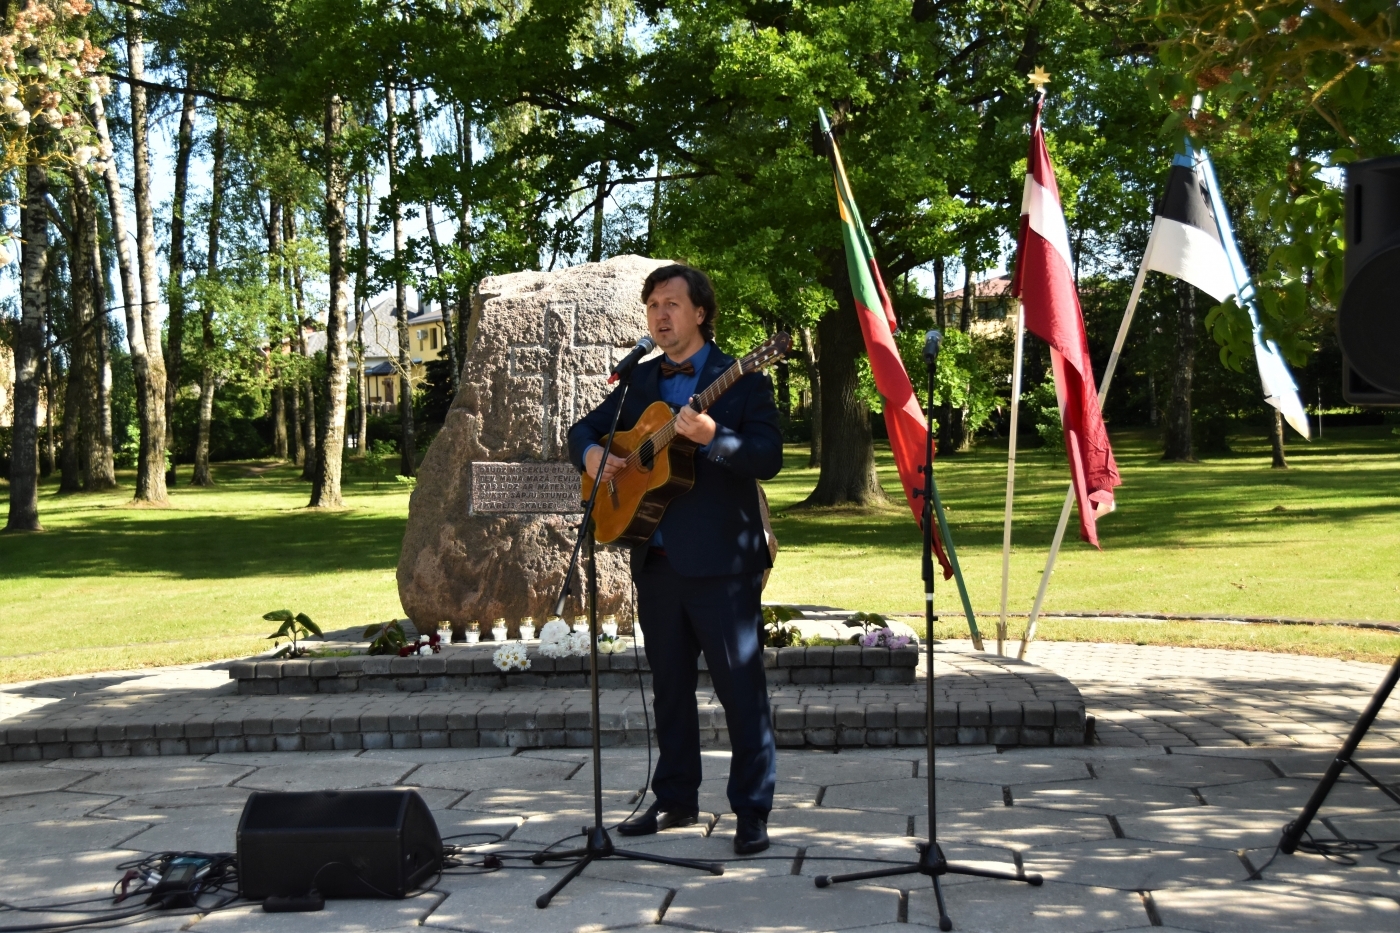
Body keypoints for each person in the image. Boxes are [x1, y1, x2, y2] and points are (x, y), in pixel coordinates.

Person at [567, 263, 783, 855]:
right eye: (653, 305)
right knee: (668, 689)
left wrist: (715, 437)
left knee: (741, 691)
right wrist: (591, 455)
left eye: (671, 304)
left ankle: (752, 810)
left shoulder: (740, 378)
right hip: (656, 562)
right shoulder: (639, 378)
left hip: (722, 564)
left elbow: (767, 457)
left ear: (700, 312)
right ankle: (676, 798)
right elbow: (582, 430)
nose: (660, 315)